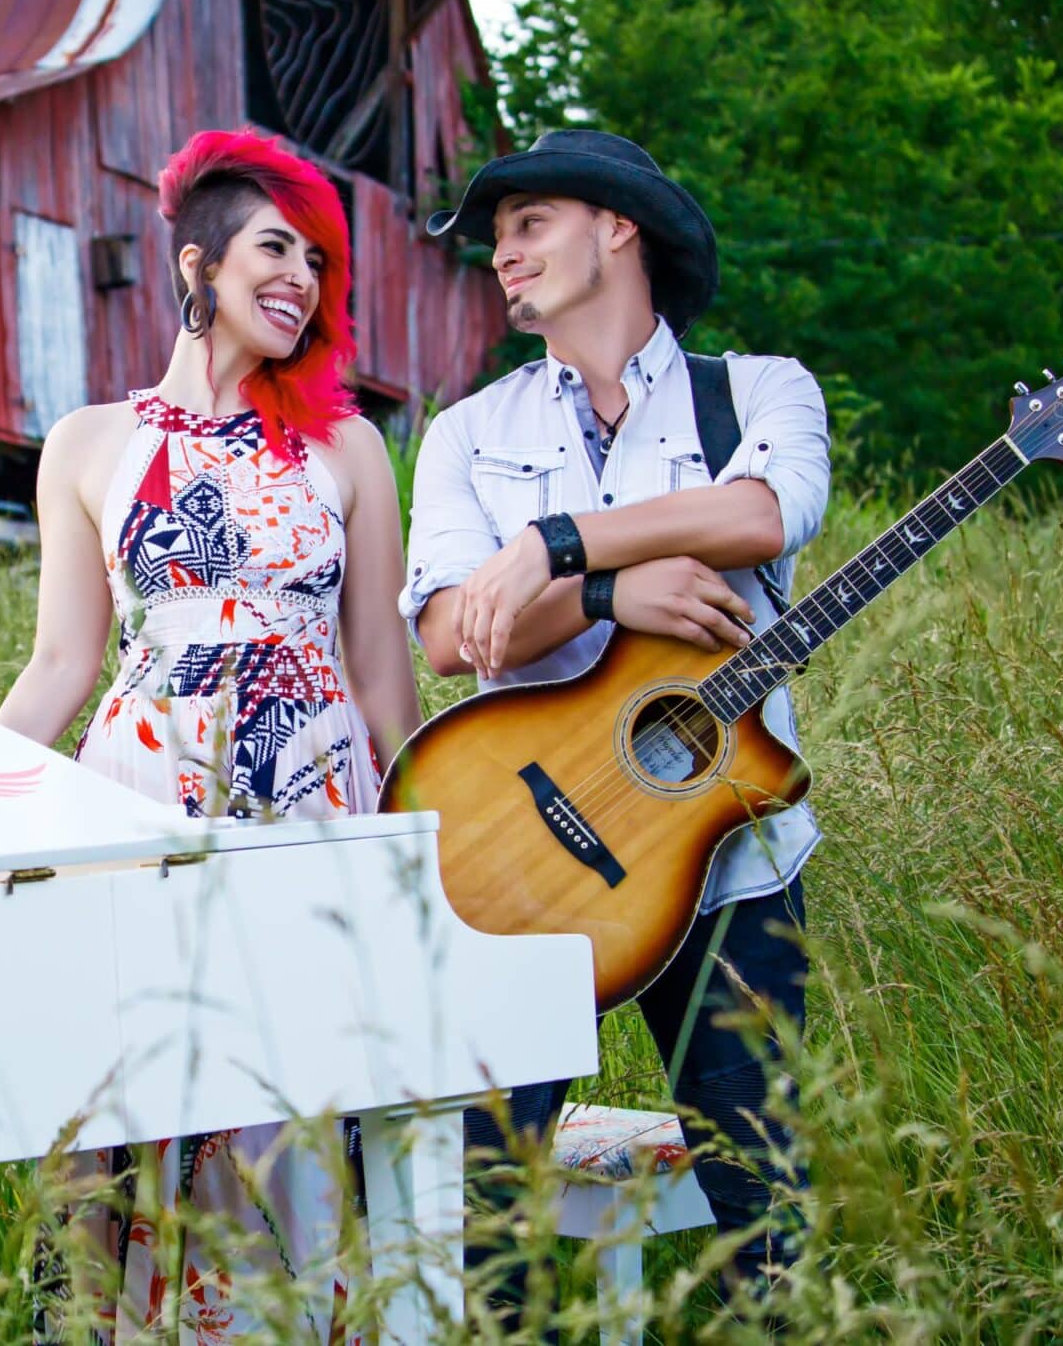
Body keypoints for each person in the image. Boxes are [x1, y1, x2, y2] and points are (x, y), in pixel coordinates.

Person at [0, 128, 422, 1341]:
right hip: (136, 796)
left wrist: (426, 853)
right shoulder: (87, 443)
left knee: (296, 1097)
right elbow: (62, 663)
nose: (302, 280)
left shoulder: (347, 448)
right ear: (195, 265)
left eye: (318, 265)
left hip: (314, 799)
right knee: (137, 1096)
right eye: (276, 247)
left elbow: (384, 683)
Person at [399, 129, 830, 1314]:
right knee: (493, 1211)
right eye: (494, 238)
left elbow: (761, 512)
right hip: (524, 848)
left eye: (527, 222)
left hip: (726, 856)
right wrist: (608, 595)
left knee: (763, 1205)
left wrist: (554, 546)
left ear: (617, 226)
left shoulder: (754, 389)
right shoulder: (467, 431)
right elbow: (446, 634)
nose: (502, 254)